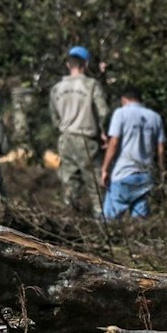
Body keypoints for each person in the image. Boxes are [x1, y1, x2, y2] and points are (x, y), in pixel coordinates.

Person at [51, 46, 110, 216]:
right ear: (86, 64)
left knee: (69, 183)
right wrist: (102, 131)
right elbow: (104, 112)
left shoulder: (56, 88)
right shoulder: (91, 85)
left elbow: (55, 119)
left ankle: (69, 218)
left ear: (68, 64)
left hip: (65, 139)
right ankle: (101, 219)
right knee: (95, 184)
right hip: (87, 140)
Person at [100, 88, 166, 219]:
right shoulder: (155, 117)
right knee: (139, 221)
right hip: (145, 176)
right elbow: (161, 149)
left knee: (110, 220)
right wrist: (161, 171)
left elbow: (114, 143)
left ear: (124, 100)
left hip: (123, 173)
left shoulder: (120, 113)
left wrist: (105, 169)